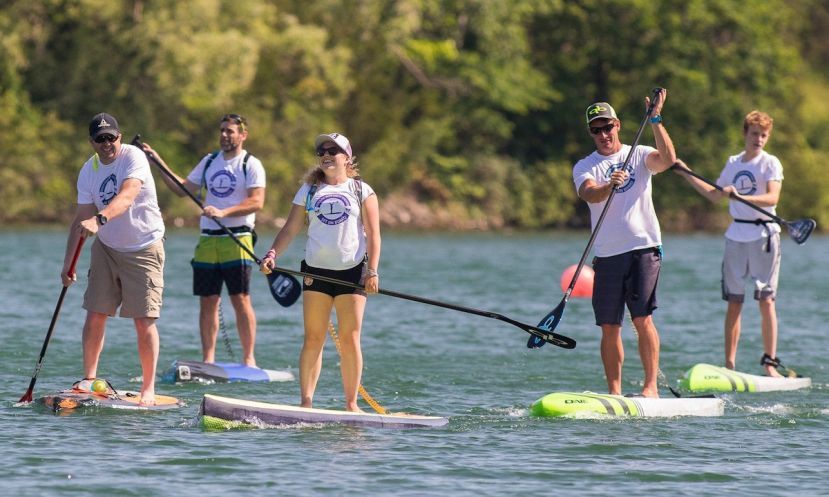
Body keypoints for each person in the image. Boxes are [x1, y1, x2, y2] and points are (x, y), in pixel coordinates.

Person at [260, 133, 380, 412]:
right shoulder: (309, 190)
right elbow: (290, 229)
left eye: (333, 150)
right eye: (321, 151)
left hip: (352, 273)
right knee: (313, 338)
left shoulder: (362, 190)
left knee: (350, 340)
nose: (325, 154)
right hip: (316, 273)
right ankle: (306, 403)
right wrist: (272, 254)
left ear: (347, 158)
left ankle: (351, 405)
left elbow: (374, 235)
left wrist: (372, 271)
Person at [573, 92, 677, 398]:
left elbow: (668, 160)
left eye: (607, 127)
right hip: (607, 255)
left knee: (642, 318)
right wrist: (608, 186)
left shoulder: (640, 153)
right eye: (596, 130)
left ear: (618, 125)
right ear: (591, 133)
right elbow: (589, 194)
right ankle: (614, 394)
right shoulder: (585, 166)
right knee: (609, 326)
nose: (603, 134)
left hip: (643, 248)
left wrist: (655, 119)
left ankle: (650, 388)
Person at [141, 114, 265, 367]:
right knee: (208, 300)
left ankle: (249, 358)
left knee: (240, 299)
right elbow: (183, 188)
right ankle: (208, 359)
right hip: (208, 240)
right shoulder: (210, 161)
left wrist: (223, 212)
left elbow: (257, 201)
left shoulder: (250, 164)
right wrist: (157, 161)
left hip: (237, 238)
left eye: (230, 131)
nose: (224, 135)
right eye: (222, 130)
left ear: (243, 135)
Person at [62, 112, 166, 405]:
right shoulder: (88, 170)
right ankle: (89, 379)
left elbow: (128, 194)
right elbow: (79, 220)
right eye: (100, 138)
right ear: (92, 142)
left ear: (120, 137)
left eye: (112, 137)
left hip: (144, 246)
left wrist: (100, 219)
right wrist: (67, 264)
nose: (107, 143)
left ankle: (148, 388)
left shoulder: (133, 158)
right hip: (107, 248)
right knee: (95, 313)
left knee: (143, 320)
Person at [674, 110, 784, 377]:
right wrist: (686, 172)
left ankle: (770, 363)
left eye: (764, 135)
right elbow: (714, 195)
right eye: (755, 133)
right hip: (736, 236)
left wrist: (737, 196)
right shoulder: (733, 162)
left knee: (766, 301)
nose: (759, 139)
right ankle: (729, 365)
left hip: (764, 236)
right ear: (745, 134)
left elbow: (771, 198)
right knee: (734, 302)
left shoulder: (770, 163)